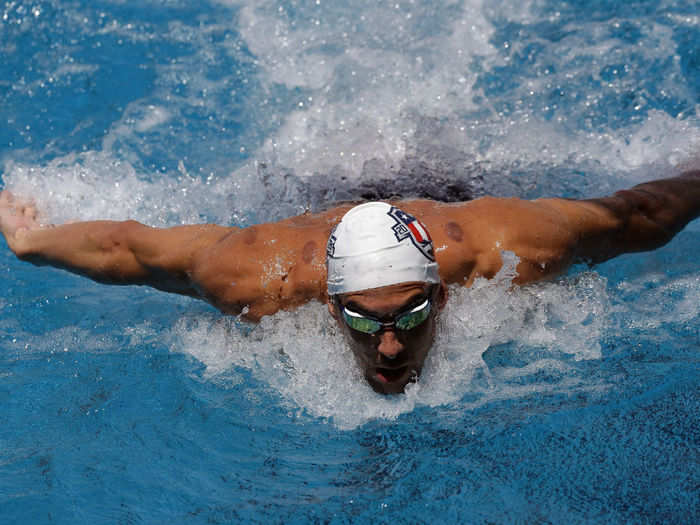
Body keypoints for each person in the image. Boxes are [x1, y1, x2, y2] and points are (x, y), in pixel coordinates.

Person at [1, 168, 699, 394]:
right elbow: (130, 248)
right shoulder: (259, 277)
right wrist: (30, 242)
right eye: (363, 321)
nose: (389, 348)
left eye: (410, 316)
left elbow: (638, 215)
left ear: (446, 294)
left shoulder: (503, 253)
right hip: (324, 198)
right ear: (329, 306)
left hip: (450, 196)